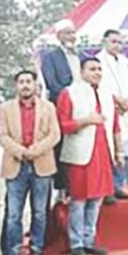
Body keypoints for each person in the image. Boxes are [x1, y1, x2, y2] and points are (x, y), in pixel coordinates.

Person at [56, 57, 120, 255]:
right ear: (82, 72)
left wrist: (118, 152)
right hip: (80, 155)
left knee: (97, 200)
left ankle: (89, 240)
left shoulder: (106, 94)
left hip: (103, 154)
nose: (97, 72)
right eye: (92, 69)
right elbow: (62, 125)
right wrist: (86, 121)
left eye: (99, 69)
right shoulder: (69, 93)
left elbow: (115, 125)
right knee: (79, 200)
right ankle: (76, 243)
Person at [0, 70, 61, 255]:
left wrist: (34, 150)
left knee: (40, 213)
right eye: (21, 82)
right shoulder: (5, 108)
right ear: (16, 85)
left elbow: (55, 135)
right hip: (15, 164)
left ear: (35, 85)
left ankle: (36, 252)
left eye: (28, 81)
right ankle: (14, 254)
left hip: (41, 164)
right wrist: (20, 151)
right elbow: (3, 136)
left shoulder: (48, 107)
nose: (25, 85)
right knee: (13, 214)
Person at [95, 29, 128, 203]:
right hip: (107, 108)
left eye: (120, 42)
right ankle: (107, 188)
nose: (117, 45)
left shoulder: (126, 62)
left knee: (124, 149)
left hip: (125, 111)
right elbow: (100, 86)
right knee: (109, 148)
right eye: (113, 41)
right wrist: (116, 101)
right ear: (104, 41)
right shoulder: (97, 61)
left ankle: (119, 186)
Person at [42, 19, 81, 193]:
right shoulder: (50, 58)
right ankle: (62, 188)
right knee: (62, 148)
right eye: (67, 33)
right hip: (61, 108)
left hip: (83, 109)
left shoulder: (81, 56)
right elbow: (52, 84)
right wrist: (70, 99)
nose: (71, 36)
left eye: (73, 33)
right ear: (59, 36)